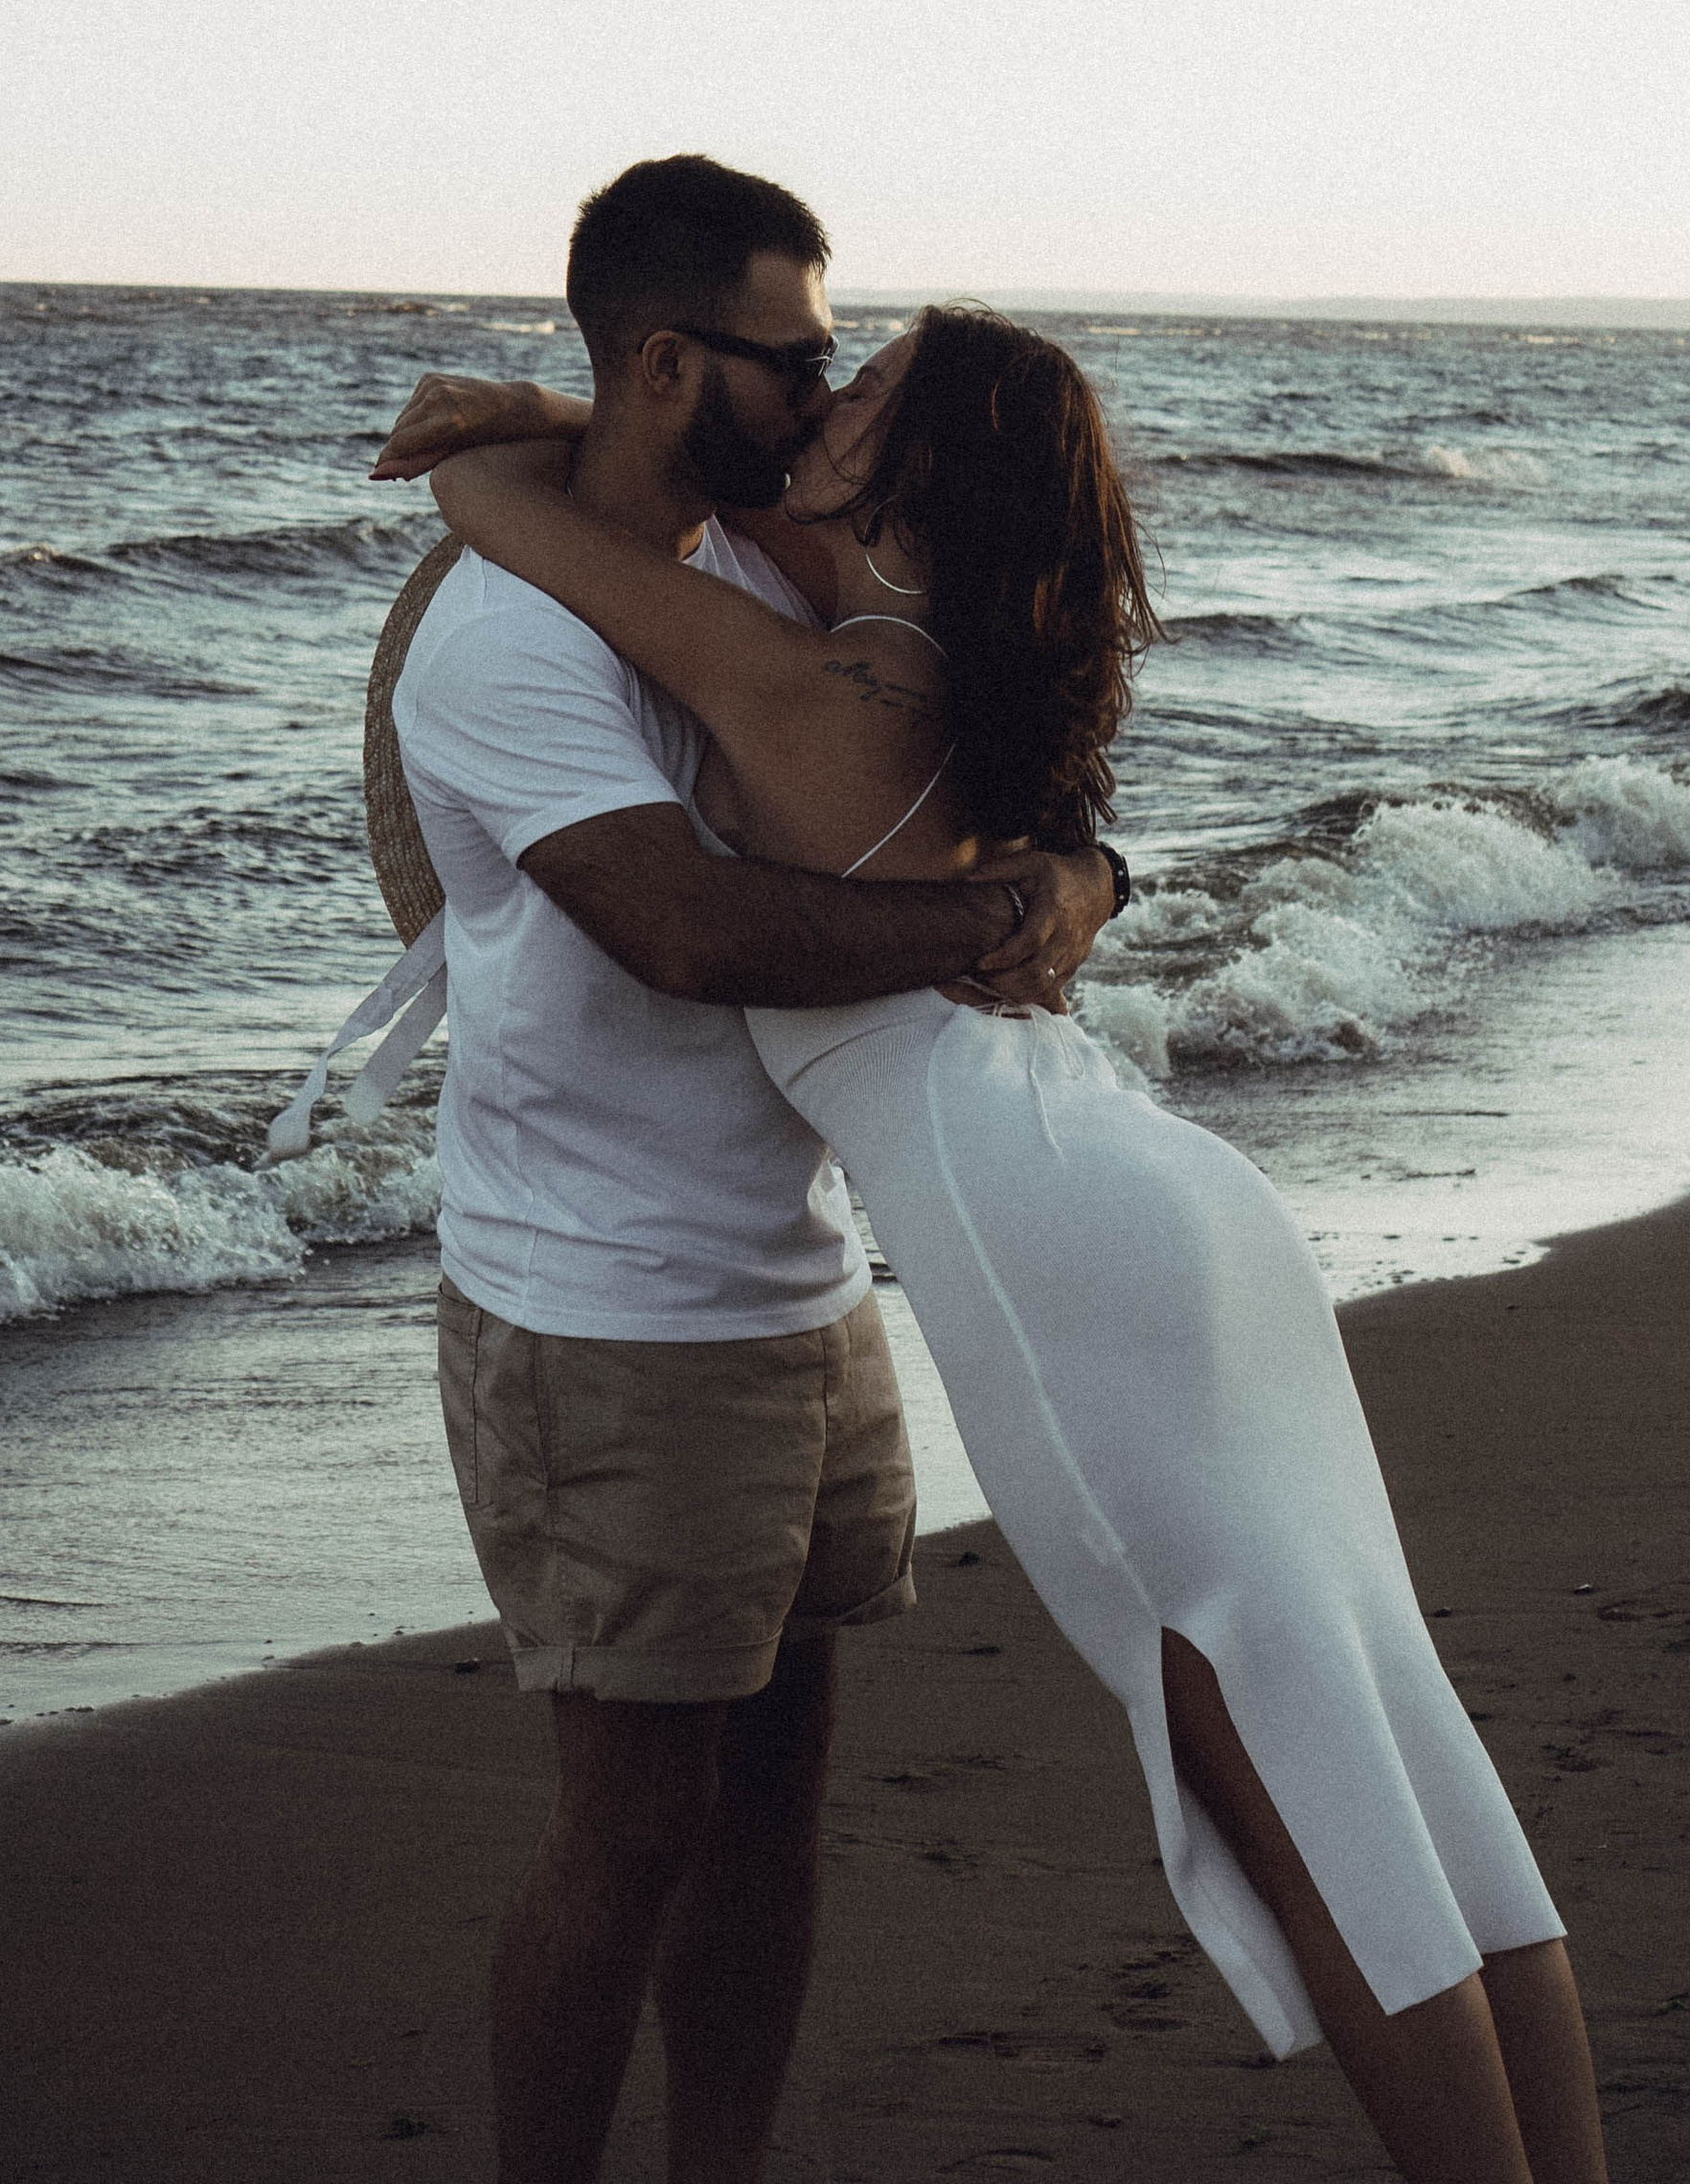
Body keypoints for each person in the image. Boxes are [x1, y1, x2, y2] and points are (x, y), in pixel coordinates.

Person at [380, 301, 1614, 2184]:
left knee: (1282, 1775)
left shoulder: (802, 682)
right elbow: (689, 490)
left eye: (853, 392)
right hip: (1153, 1193)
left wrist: (509, 442)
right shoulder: (926, 648)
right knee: (1380, 1732)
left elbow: (525, 523)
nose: (817, 398)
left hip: (1056, 1245)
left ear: (910, 477)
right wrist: (593, 406)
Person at [355, 157, 1120, 2184]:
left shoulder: (766, 571)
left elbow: (978, 776)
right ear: (670, 358)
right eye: (794, 356)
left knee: (777, 1790)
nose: (829, 385)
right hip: (601, 1310)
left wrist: (1076, 870)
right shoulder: (509, 640)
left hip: (792, 1282)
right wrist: (997, 927)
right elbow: (680, 930)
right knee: (628, 1829)